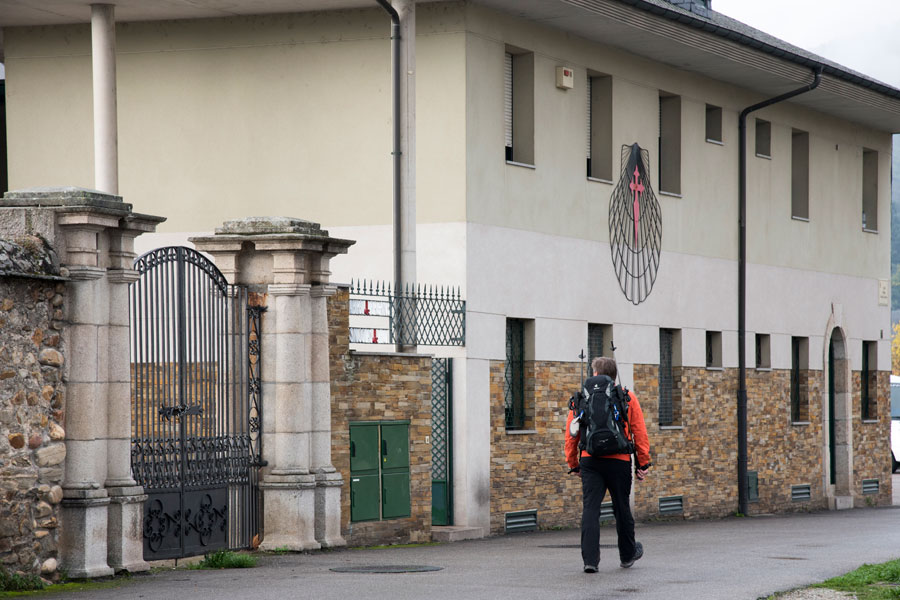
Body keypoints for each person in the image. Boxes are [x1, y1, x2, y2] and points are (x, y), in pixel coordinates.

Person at [565, 356, 651, 573]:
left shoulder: (581, 397)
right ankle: (627, 555)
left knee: (591, 509)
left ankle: (590, 561)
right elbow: (639, 431)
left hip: (590, 460)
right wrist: (643, 462)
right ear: (613, 376)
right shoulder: (626, 396)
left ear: (595, 374)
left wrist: (573, 463)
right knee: (622, 508)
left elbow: (571, 434)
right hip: (619, 460)